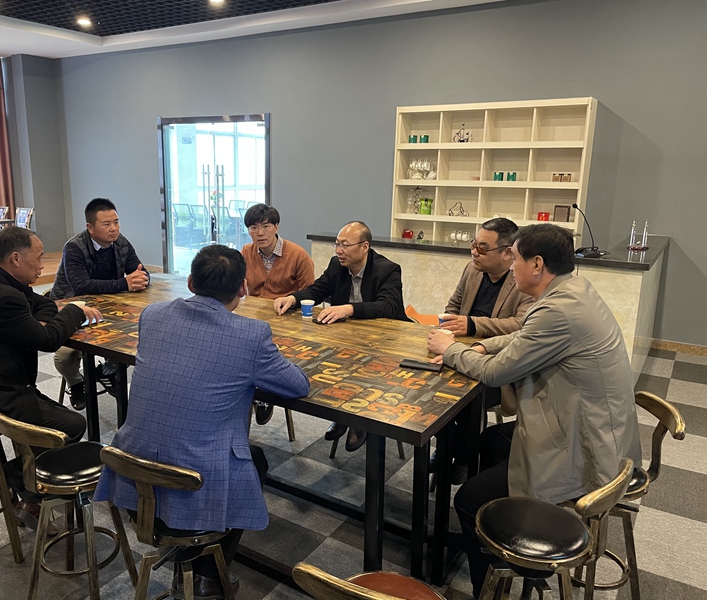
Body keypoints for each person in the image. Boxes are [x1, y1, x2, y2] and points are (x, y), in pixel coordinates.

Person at [427, 223, 642, 599]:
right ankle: (507, 538)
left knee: (467, 500)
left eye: (515, 259)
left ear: (537, 264)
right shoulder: (574, 290)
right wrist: (484, 345)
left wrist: (450, 349)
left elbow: (496, 374)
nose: (511, 267)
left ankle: (509, 573)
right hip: (594, 429)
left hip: (585, 450)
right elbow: (525, 336)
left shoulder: (557, 310)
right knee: (490, 441)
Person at [95, 244, 309, 599]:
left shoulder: (152, 314)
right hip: (193, 484)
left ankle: (194, 560)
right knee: (255, 459)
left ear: (191, 283)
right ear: (243, 288)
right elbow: (298, 385)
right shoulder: (251, 335)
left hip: (131, 475)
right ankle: (208, 574)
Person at [0, 226, 103, 530]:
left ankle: (30, 492)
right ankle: (20, 480)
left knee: (58, 423)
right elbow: (48, 340)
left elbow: (42, 304)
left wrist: (40, 321)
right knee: (71, 424)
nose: (43, 265)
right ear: (16, 259)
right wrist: (74, 310)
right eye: (39, 257)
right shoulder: (1, 296)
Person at [274, 221, 408, 452]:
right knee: (328, 364)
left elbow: (388, 306)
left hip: (384, 342)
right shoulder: (336, 265)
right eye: (337, 244)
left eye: (345, 245)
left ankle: (358, 421)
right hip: (348, 339)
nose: (338, 250)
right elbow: (317, 290)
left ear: (364, 247)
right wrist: (293, 298)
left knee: (362, 367)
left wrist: (348, 309)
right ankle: (343, 415)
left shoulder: (388, 269)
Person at [430, 217, 533, 483]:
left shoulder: (522, 279)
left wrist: (473, 324)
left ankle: (464, 456)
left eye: (483, 248)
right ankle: (447, 448)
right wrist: (449, 325)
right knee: (430, 386)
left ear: (507, 253)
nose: (474, 252)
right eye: (473, 244)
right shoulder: (472, 269)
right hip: (458, 350)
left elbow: (520, 325)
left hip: (498, 365)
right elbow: (453, 306)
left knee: (465, 400)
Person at [50, 198, 149, 409]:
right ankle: (77, 383)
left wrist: (141, 278)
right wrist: (124, 283)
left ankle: (106, 371)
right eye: (107, 224)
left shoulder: (121, 242)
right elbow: (81, 286)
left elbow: (140, 271)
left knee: (136, 339)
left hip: (111, 308)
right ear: (90, 228)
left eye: (116, 222)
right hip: (74, 308)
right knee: (64, 357)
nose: (114, 228)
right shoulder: (74, 247)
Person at [240, 203, 315, 425]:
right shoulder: (245, 252)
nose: (259, 233)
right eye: (253, 227)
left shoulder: (297, 255)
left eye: (265, 226)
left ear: (276, 227)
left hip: (287, 320)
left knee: (264, 354)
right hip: (254, 319)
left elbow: (310, 293)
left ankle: (264, 395)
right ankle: (254, 394)